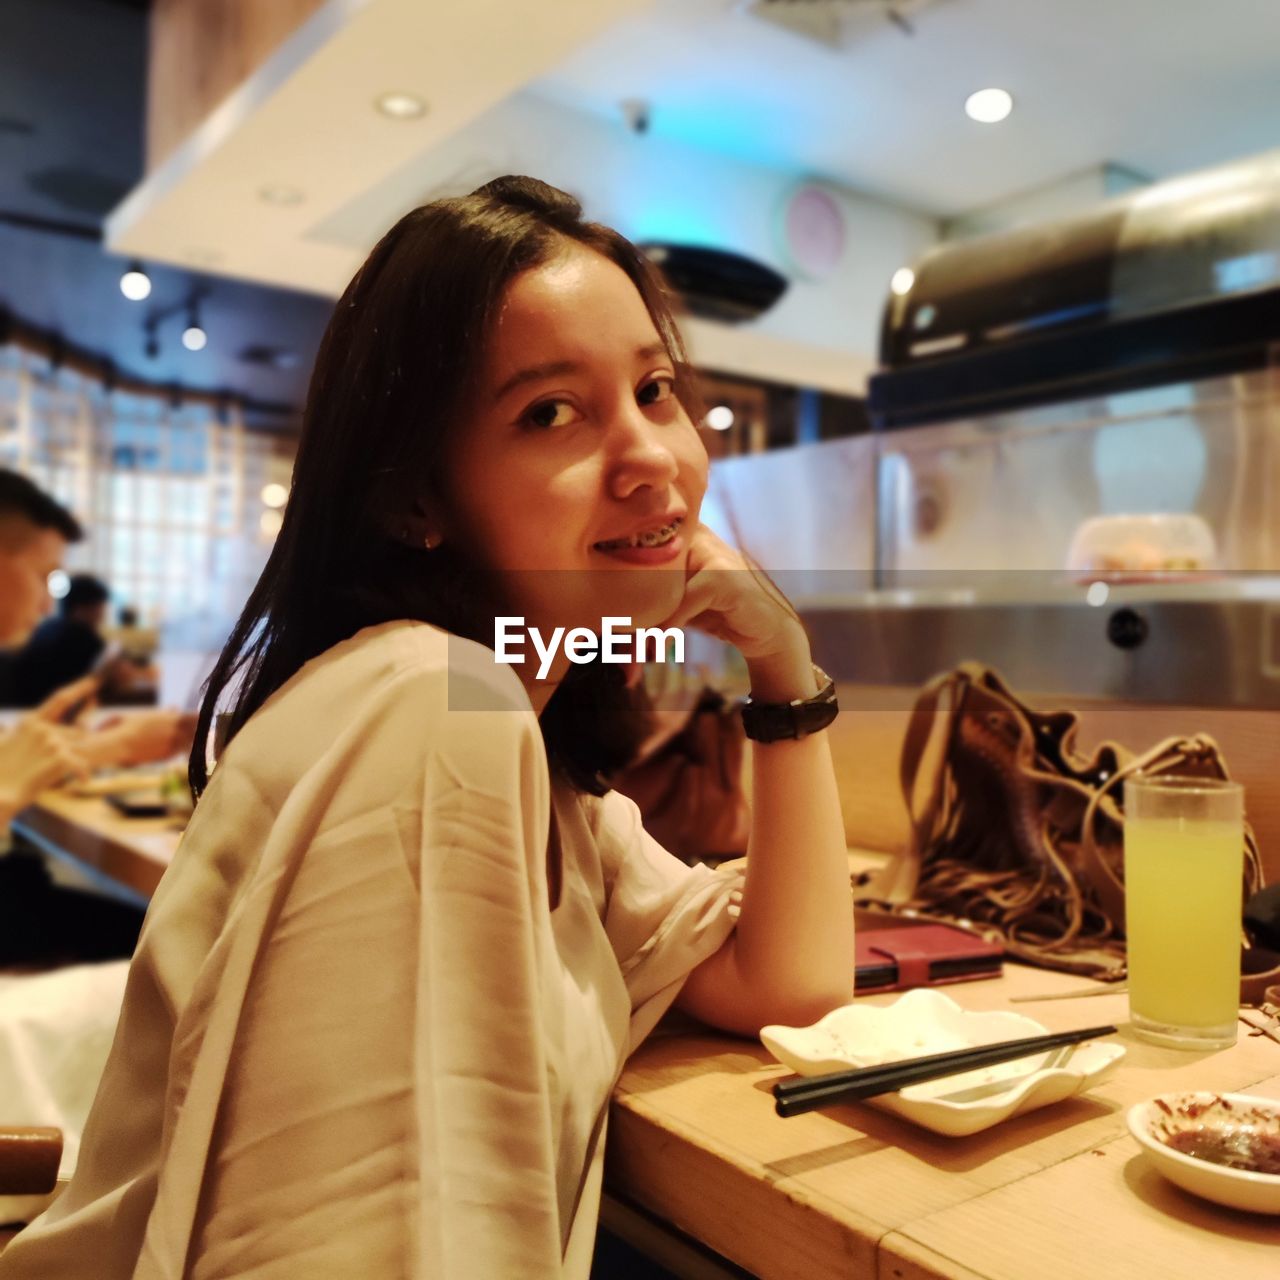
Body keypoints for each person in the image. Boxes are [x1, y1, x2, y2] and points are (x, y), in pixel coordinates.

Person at [0, 177, 854, 1278]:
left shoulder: (522, 759)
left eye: (653, 388)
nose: (651, 457)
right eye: (550, 411)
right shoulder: (428, 707)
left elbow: (786, 982)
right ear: (414, 500)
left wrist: (783, 666)